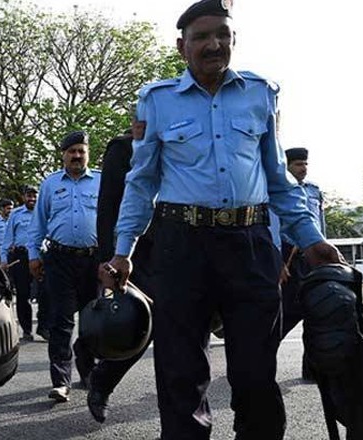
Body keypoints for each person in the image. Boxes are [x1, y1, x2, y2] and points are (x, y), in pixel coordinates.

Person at [104, 2, 343, 438]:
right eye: (201, 37)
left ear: (234, 40)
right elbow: (141, 183)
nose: (214, 45)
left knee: (256, 372)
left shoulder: (260, 93)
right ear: (182, 47)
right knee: (180, 373)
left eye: (223, 35)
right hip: (182, 246)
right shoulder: (156, 100)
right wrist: (123, 251)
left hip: (249, 244)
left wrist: (311, 239)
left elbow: (277, 179)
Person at [27, 130, 101, 403]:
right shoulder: (50, 184)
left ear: (88, 154)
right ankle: (61, 381)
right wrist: (33, 255)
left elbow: (113, 221)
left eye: (81, 151)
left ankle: (89, 373)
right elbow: (38, 223)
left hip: (94, 261)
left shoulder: (102, 181)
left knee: (92, 321)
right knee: (61, 321)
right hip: (59, 260)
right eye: (72, 151)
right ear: (63, 155)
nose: (77, 156)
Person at [88, 123, 153, 423]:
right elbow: (108, 206)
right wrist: (108, 259)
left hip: (179, 249)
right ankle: (102, 381)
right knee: (138, 324)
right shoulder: (122, 149)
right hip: (134, 254)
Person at [275, 147, 326, 380]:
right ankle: (259, 360)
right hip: (287, 255)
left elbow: (319, 223)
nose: (303, 168)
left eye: (305, 164)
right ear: (286, 167)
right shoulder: (276, 191)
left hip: (312, 255)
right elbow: (273, 226)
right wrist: (278, 260)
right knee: (284, 312)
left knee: (316, 312)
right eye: (298, 164)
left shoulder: (314, 190)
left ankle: (312, 368)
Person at [0, 185, 43, 341]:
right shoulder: (16, 214)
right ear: (24, 197)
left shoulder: (44, 212)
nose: (32, 199)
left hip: (41, 257)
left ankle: (44, 326)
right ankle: (26, 330)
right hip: (21, 257)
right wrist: (3, 259)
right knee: (23, 294)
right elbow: (7, 238)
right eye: (29, 196)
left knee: (46, 293)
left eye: (34, 195)